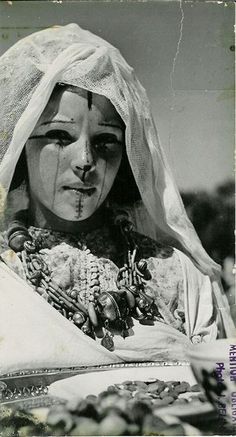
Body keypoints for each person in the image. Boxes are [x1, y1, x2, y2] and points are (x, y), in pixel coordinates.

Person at [0, 24, 234, 376]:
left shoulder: (179, 277)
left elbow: (224, 406)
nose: (85, 161)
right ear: (20, 148)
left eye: (105, 140)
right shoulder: (7, 276)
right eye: (60, 136)